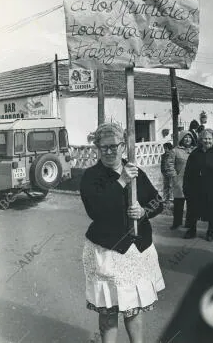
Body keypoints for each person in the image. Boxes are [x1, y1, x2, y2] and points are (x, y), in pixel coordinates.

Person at [80, 123, 165, 343]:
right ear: (97, 148)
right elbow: (96, 210)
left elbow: (158, 201)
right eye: (103, 147)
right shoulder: (92, 176)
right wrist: (121, 181)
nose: (109, 152)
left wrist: (144, 211)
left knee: (132, 309)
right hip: (107, 251)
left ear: (122, 146)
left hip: (136, 251)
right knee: (108, 311)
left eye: (114, 146)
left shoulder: (136, 171)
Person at [183, 129, 213, 241]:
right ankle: (192, 230)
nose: (207, 141)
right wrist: (186, 186)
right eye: (205, 138)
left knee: (212, 209)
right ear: (200, 140)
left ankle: (210, 231)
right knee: (193, 208)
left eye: (209, 138)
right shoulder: (195, 153)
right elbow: (188, 171)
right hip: (196, 187)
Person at [167, 131, 195, 230]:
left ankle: (189, 223)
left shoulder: (195, 150)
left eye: (190, 137)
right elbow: (170, 165)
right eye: (185, 137)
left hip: (192, 181)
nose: (188, 139)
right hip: (180, 181)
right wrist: (174, 177)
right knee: (178, 203)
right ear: (181, 139)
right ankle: (177, 223)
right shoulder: (175, 151)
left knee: (191, 204)